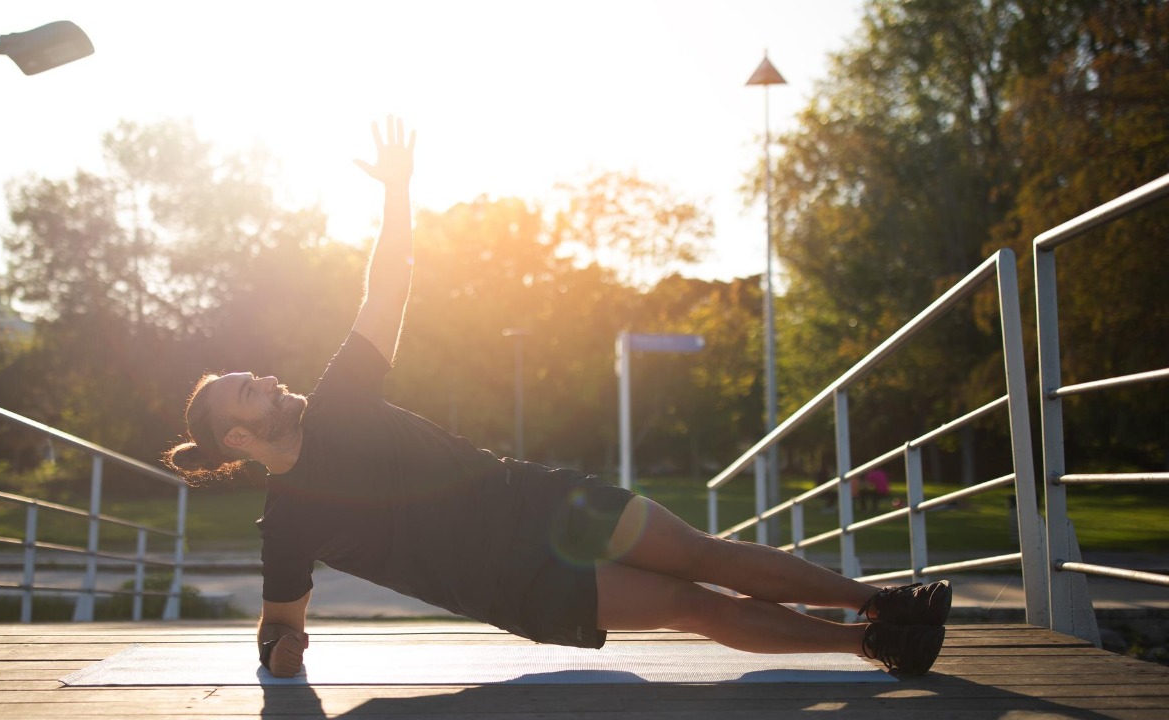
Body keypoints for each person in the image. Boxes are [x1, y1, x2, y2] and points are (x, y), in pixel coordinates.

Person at [162, 117, 951, 679]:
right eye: (245, 391)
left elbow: (388, 287)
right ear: (238, 440)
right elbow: (282, 625)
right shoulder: (290, 521)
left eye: (252, 374)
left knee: (706, 555)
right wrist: (283, 657)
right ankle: (865, 647)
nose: (263, 379)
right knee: (691, 604)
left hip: (544, 500)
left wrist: (398, 194)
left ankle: (882, 604)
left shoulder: (339, 395)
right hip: (521, 582)